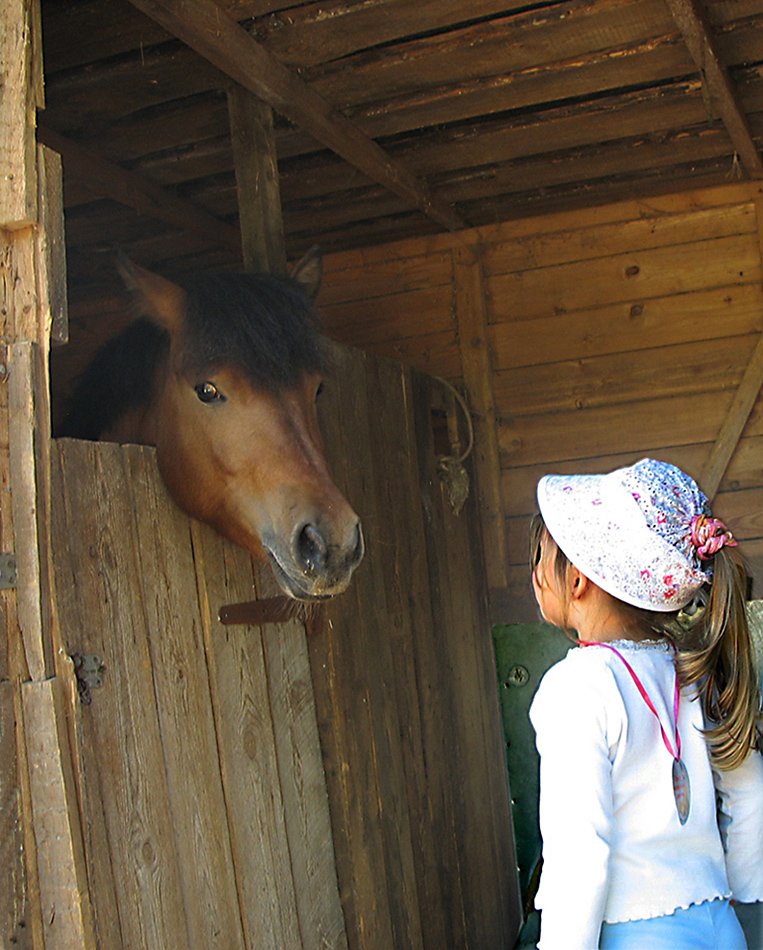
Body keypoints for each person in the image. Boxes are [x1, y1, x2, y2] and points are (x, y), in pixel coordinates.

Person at [528, 458, 763, 950]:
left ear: (577, 581)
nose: (532, 572)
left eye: (541, 555)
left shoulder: (576, 687)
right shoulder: (695, 672)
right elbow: (751, 795)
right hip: (723, 929)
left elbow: (578, 857)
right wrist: (743, 901)